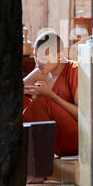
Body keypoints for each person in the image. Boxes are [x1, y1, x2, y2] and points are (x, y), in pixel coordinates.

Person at [23, 31, 79, 161]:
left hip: (76, 139)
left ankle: (39, 167)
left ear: (59, 56)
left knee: (42, 102)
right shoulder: (42, 71)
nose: (39, 62)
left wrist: (50, 95)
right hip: (54, 137)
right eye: (36, 56)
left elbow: (82, 116)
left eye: (44, 57)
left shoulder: (75, 70)